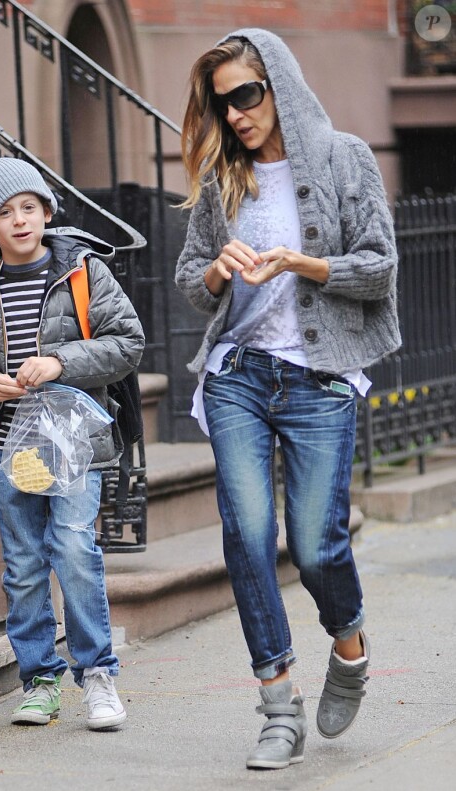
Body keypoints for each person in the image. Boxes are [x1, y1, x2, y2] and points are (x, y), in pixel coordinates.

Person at [175, 29, 400, 770]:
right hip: (240, 374)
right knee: (246, 534)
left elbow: (379, 266)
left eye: (248, 94)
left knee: (314, 544)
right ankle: (278, 705)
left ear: (280, 84)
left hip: (319, 381)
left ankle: (350, 641)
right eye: (224, 101)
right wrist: (217, 270)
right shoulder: (221, 178)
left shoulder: (345, 158)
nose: (237, 113)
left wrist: (304, 262)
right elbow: (187, 282)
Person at [0, 157, 144, 730]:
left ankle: (97, 676)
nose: (19, 221)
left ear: (47, 213)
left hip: (74, 440)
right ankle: (40, 681)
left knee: (73, 549)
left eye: (28, 207)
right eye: (3, 212)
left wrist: (60, 361)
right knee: (24, 565)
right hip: (13, 445)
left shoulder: (85, 272)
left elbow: (128, 341)